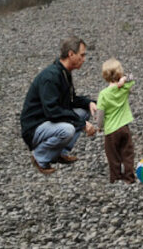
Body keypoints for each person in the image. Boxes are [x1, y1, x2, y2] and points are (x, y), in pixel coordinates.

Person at [19, 36, 97, 175]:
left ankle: (60, 152)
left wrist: (90, 103)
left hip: (47, 121)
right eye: (82, 55)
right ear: (71, 54)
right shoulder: (51, 76)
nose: (84, 59)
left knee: (84, 111)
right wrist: (82, 124)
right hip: (34, 127)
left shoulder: (63, 72)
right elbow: (53, 111)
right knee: (68, 130)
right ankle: (40, 157)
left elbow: (71, 101)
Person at [95, 58, 136, 183]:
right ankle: (129, 177)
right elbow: (133, 77)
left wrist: (99, 126)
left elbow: (100, 114)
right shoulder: (124, 88)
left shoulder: (103, 94)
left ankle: (116, 178)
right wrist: (124, 79)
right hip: (124, 127)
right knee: (127, 154)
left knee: (113, 156)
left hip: (111, 131)